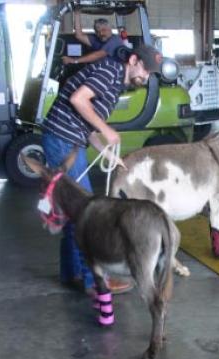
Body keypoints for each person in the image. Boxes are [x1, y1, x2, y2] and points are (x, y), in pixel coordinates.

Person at [42, 44, 163, 294]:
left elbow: (86, 121)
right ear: (132, 60)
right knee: (85, 211)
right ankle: (94, 281)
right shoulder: (109, 70)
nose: (146, 77)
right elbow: (78, 100)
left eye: (151, 74)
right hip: (61, 140)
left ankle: (70, 272)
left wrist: (106, 151)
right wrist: (107, 130)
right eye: (145, 70)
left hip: (69, 140)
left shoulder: (116, 81)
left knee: (72, 210)